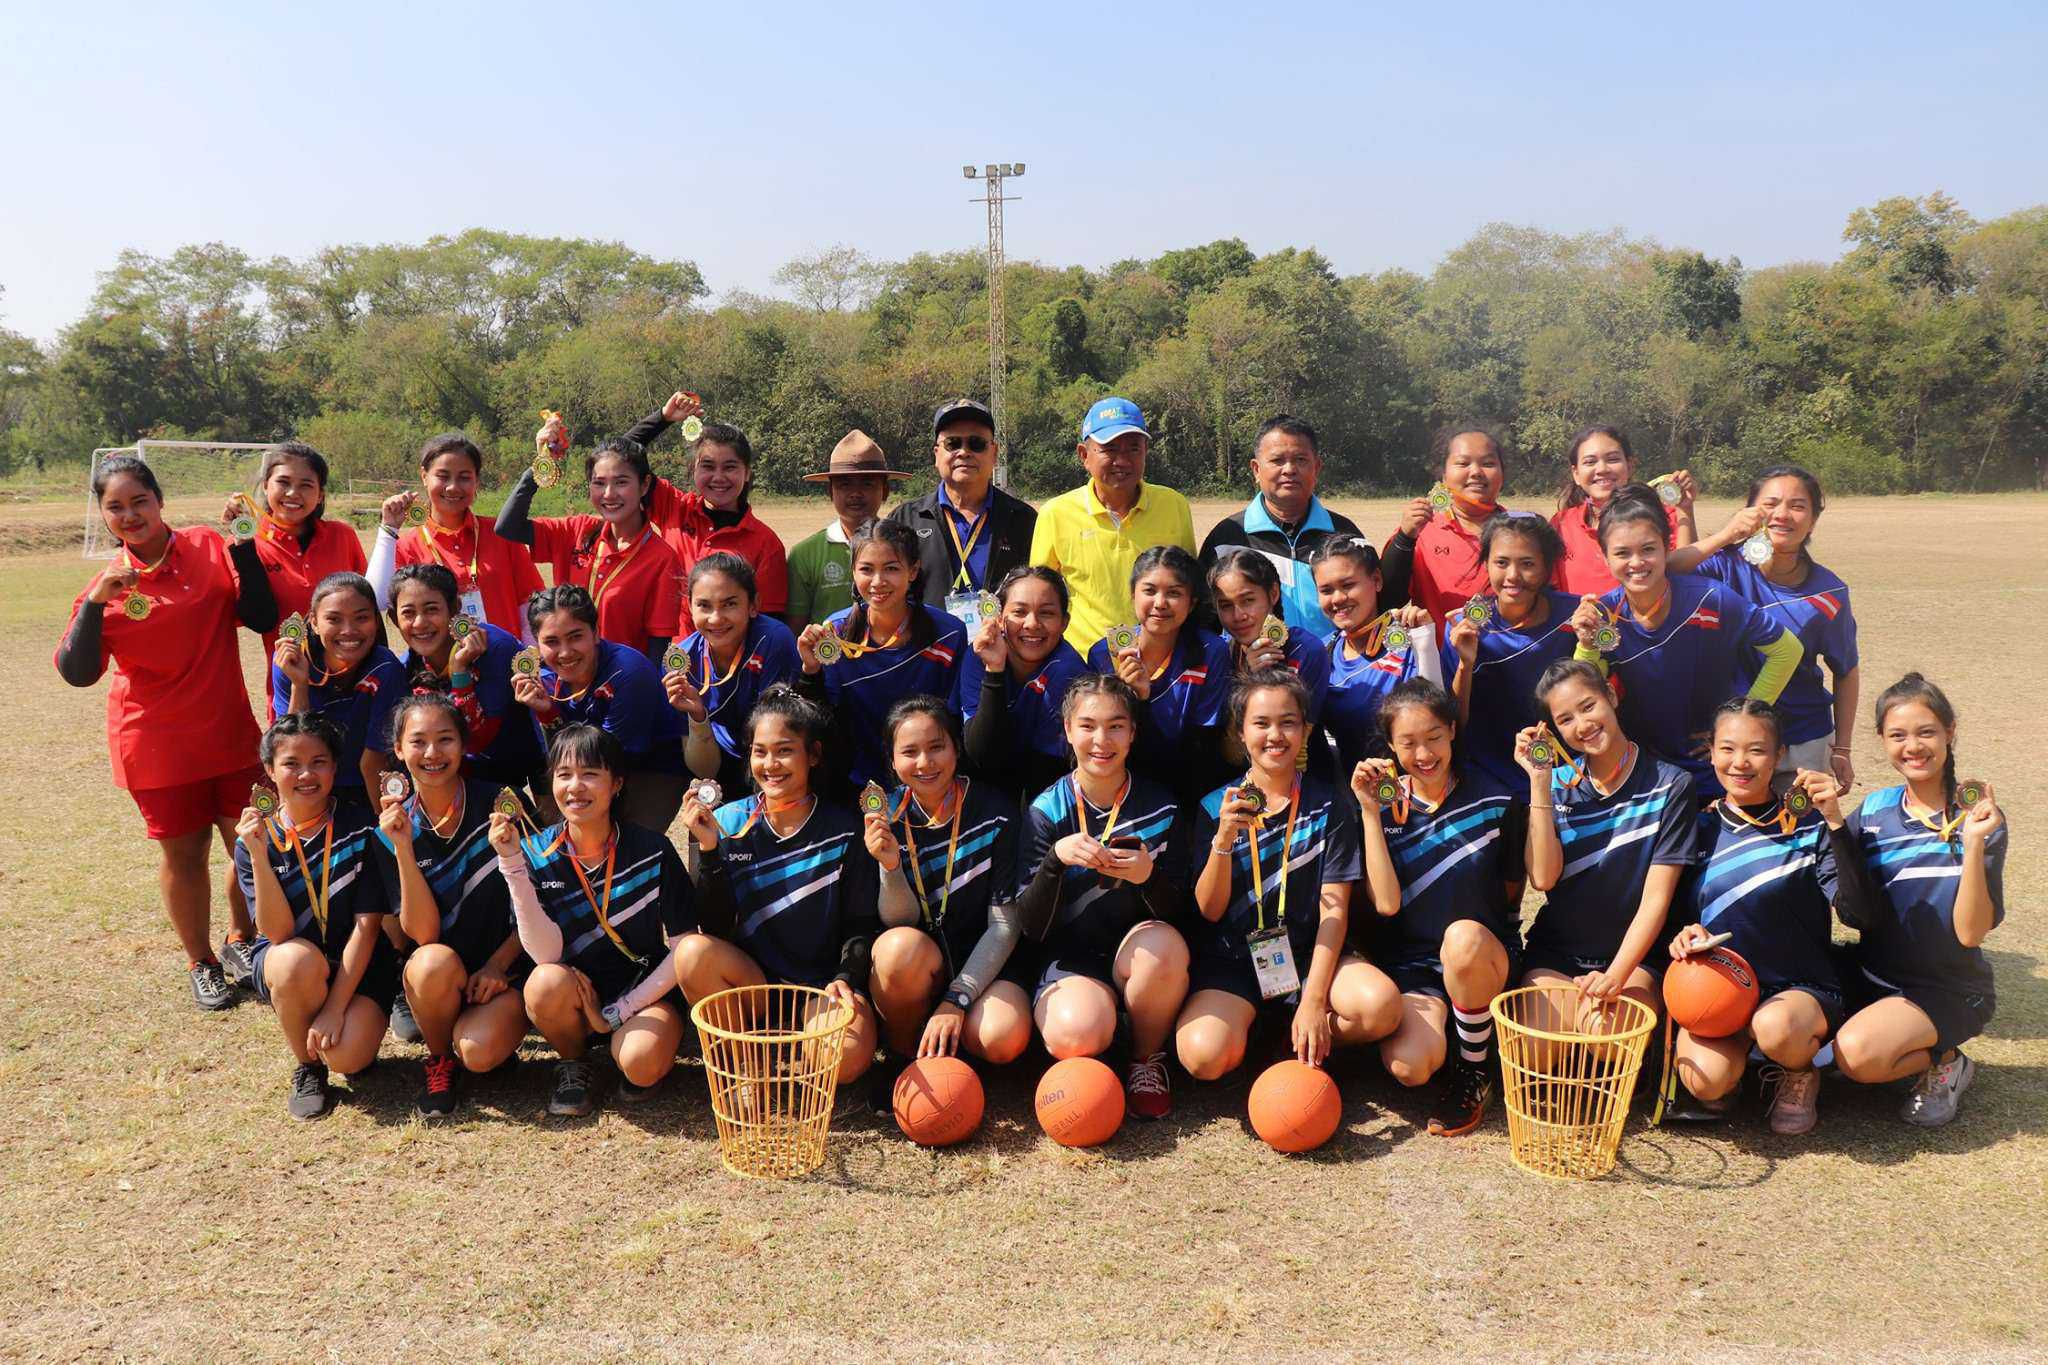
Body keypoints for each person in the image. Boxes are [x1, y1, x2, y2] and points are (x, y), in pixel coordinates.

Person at [57, 454, 279, 1008]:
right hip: (155, 748)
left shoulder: (206, 547)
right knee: (185, 857)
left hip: (230, 735)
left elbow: (258, 612)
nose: (130, 515)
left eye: (140, 501)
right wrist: (95, 603)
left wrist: (244, 545)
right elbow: (77, 672)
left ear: (159, 501)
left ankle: (241, 939)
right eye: (116, 507)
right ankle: (201, 962)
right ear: (103, 515)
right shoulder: (104, 586)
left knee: (253, 843)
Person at [1175, 671, 1399, 1087]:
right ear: (1240, 732)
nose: (1275, 735)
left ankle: (1297, 1034)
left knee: (1380, 1007)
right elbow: (1210, 910)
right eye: (1261, 723)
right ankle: (1259, 1032)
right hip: (1235, 961)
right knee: (1202, 1055)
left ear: (1306, 731)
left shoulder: (1330, 804)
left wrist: (1314, 1000)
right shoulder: (1215, 806)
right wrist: (1223, 840)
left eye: (1288, 722)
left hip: (1309, 957)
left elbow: (1335, 913)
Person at [672, 686, 882, 1087]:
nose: (770, 764)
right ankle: (750, 1065)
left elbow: (861, 922)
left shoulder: (845, 829)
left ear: (813, 755)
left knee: (846, 1062)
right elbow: (714, 928)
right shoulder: (726, 821)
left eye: (784, 751)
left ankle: (804, 1049)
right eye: (760, 752)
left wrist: (846, 976)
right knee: (692, 953)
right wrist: (710, 850)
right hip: (752, 987)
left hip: (820, 989)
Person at [1665, 699, 1852, 1134]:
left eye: (1757, 750)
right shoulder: (1697, 826)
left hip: (1796, 991)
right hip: (1722, 990)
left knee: (1776, 1027)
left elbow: (1857, 912)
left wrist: (1835, 822)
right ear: (1711, 752)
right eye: (1727, 749)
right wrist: (1682, 934)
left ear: (1779, 755)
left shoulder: (1807, 825)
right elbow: (1670, 913)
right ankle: (1741, 1071)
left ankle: (1798, 1070)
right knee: (1705, 1081)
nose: (1740, 763)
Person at [1352, 679, 1525, 1136]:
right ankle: (1465, 1029)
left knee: (1462, 939)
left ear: (1452, 731)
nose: (1424, 754)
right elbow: (1386, 903)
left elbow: (1512, 891)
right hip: (1416, 966)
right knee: (1410, 1068)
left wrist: (1480, 955)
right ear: (1391, 746)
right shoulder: (1382, 805)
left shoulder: (1497, 799)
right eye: (1408, 743)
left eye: (1433, 737)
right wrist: (1369, 811)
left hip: (1480, 958)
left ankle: (1474, 1068)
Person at [1832, 674, 2006, 1127]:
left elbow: (1970, 932)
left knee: (1856, 1057)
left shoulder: (1978, 817)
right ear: (1882, 740)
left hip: (1947, 988)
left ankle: (1948, 1061)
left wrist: (1973, 843)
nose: (1913, 746)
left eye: (1926, 732)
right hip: (1873, 975)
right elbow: (1835, 871)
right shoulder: (1874, 811)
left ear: (1950, 731)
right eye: (1898, 736)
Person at [496, 725, 697, 1116]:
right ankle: (574, 1062)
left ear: (616, 783)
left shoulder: (652, 849)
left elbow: (683, 948)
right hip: (572, 990)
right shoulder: (534, 852)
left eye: (590, 774)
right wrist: (511, 864)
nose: (575, 787)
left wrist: (620, 1011)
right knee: (543, 982)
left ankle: (627, 1043)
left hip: (643, 991)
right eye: (564, 774)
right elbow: (544, 954)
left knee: (641, 1063)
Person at [1014, 674, 1190, 1119]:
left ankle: (1145, 1059)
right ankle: (1103, 1034)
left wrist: (1149, 877)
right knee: (1076, 1034)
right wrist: (1055, 860)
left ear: (1133, 733)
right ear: (1068, 730)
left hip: (1137, 952)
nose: (1101, 740)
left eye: (1116, 726)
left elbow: (1183, 914)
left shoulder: (1162, 805)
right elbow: (1031, 926)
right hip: (1071, 960)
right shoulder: (1045, 811)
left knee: (1164, 946)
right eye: (1088, 726)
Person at [1568, 485, 1804, 802]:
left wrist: (1738, 724)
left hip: (1713, 773)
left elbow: (1787, 651)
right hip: (1645, 773)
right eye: (1622, 553)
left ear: (1667, 548)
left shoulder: (1710, 598)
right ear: (1605, 556)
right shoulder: (1603, 613)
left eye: (1648, 549)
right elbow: (1586, 689)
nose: (1637, 562)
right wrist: (1585, 644)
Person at [863, 697, 1032, 1106]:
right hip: (923, 963)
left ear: (956, 747)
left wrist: (958, 998)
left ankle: (957, 1060)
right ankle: (905, 1055)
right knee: (897, 949)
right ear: (892, 760)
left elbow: (1005, 925)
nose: (925, 762)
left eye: (936, 747)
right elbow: (898, 922)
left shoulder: (996, 810)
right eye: (909, 752)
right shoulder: (885, 816)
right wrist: (889, 866)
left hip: (985, 964)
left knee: (1001, 1037)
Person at [233, 713, 400, 1120]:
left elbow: (368, 927)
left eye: (318, 762)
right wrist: (258, 854)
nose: (306, 774)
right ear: (270, 770)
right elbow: (277, 931)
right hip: (292, 961)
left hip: (358, 966)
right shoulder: (255, 838)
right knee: (293, 960)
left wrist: (335, 1008)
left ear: (335, 767)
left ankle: (338, 1030)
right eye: (291, 764)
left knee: (347, 1058)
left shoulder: (362, 828)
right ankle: (307, 1068)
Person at [376, 694, 528, 1120]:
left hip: (506, 972)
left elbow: (541, 899)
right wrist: (403, 848)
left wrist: (498, 965)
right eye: (418, 741)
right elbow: (423, 935)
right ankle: (439, 1058)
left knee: (479, 1053)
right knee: (430, 962)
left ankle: (486, 1035)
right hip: (439, 978)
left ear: (463, 744)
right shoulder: (390, 828)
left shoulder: (501, 805)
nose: (432, 753)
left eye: (445, 739)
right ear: (399, 749)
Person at [1519, 660, 1696, 1023]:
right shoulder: (1555, 785)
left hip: (1635, 962)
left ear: (1611, 696)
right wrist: (1539, 782)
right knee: (1538, 1045)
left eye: (1588, 706)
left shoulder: (1671, 785)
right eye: (1565, 720)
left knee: (1603, 1036)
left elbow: (1656, 900)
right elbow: (1543, 878)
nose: (1583, 725)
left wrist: (1614, 976)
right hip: (1558, 955)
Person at [1668, 466, 1859, 788]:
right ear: (1750, 511)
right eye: (1770, 504)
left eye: (1797, 506)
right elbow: (1670, 571)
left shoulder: (1829, 593)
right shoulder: (1726, 566)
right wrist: (1725, 534)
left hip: (1802, 739)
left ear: (1813, 520)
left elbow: (1846, 670)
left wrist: (1842, 748)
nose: (1782, 514)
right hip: (1733, 739)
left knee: (1799, 821)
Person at [796, 520, 967, 792]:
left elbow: (955, 719)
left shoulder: (948, 634)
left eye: (891, 568)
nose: (878, 582)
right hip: (857, 782)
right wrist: (810, 670)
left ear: (913, 570)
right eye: (866, 569)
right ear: (853, 572)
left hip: (928, 776)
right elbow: (822, 720)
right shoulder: (834, 634)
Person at [494, 424, 685, 661]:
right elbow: (507, 526)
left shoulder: (662, 559)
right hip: (566, 669)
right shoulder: (576, 530)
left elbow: (657, 649)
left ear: (644, 485)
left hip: (620, 678)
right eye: (599, 483)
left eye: (621, 482)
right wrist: (541, 464)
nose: (609, 494)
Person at [1028, 396, 1196, 653]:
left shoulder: (1174, 505)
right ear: (1084, 455)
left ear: (1146, 451)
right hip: (1084, 662)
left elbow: (1189, 585)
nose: (1123, 460)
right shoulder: (1056, 514)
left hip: (1159, 658)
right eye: (1110, 449)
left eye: (1133, 448)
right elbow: (1039, 595)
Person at [514, 586, 682, 832]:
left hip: (648, 769)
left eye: (575, 637)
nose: (565, 652)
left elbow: (615, 759)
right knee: (563, 839)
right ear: (537, 644)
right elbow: (556, 757)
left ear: (595, 633)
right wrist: (546, 713)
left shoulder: (628, 672)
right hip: (585, 766)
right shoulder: (541, 680)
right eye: (551, 641)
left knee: (626, 842)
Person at [1085, 545, 1234, 803]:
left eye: (1174, 593)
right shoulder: (1104, 653)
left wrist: (1143, 700)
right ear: (1132, 595)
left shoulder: (1211, 651)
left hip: (1188, 787)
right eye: (1149, 591)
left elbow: (1203, 749)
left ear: (1192, 603)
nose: (1160, 603)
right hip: (1119, 785)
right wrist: (1128, 700)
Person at [620, 391, 790, 615]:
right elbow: (618, 456)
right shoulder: (674, 508)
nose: (718, 477)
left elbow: (768, 620)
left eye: (730, 467)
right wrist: (663, 417)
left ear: (747, 473)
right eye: (708, 466)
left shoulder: (766, 543)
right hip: (669, 639)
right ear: (693, 470)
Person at [1441, 513, 1578, 789]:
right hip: (1489, 777)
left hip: (1565, 772)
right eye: (1501, 563)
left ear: (1547, 567)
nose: (1513, 576)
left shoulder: (1574, 616)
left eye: (1527, 564)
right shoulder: (1464, 626)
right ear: (1486, 563)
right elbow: (1454, 721)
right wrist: (1465, 664)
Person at [1197, 414, 1363, 634]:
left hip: (1333, 657)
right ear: (1256, 470)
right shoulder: (1227, 538)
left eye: (1300, 460)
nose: (1289, 469)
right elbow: (1204, 622)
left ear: (1317, 467)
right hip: (1255, 657)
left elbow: (1372, 609)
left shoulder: (1344, 534)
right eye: (1277, 460)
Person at [368, 432, 544, 638]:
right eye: (443, 476)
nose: (453, 487)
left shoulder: (502, 534)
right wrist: (388, 530)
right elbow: (377, 601)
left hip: (506, 657)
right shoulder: (406, 546)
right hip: (440, 659)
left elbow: (530, 605)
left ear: (477, 480)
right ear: (424, 476)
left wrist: (528, 655)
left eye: (464, 477)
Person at [387, 563, 544, 791]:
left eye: (431, 609)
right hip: (447, 786)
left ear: (455, 608)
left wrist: (460, 672)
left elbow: (476, 741)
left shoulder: (496, 649)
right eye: (408, 613)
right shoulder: (405, 668)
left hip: (510, 781)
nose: (420, 623)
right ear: (394, 619)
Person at [234, 440, 368, 698]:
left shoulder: (342, 536)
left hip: (354, 684)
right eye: (283, 482)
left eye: (306, 485)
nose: (293, 493)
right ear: (266, 485)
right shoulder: (247, 546)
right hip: (288, 687)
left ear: (320, 495)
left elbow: (367, 608)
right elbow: (257, 619)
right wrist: (243, 545)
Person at [661, 553, 802, 798]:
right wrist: (698, 717)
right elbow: (703, 769)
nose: (716, 618)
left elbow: (780, 733)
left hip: (773, 763)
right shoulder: (681, 662)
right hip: (718, 767)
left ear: (753, 605)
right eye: (704, 605)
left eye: (729, 604)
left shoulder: (773, 640)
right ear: (690, 607)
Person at [888, 398, 1038, 623]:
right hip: (929, 643)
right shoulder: (905, 519)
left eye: (976, 444)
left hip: (1001, 643)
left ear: (994, 453)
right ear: (936, 454)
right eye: (953, 443)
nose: (964, 452)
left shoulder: (1024, 519)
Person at [1309, 536, 1440, 776]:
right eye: (1326, 590)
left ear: (1377, 580)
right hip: (1353, 792)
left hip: (1419, 790)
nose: (1337, 598)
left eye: (1348, 585)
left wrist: (1425, 645)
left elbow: (1439, 717)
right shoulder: (1319, 653)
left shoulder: (1413, 639)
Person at [270, 573, 408, 799]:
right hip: (312, 786)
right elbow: (290, 747)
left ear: (376, 620)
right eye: (334, 619)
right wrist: (299, 685)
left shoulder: (386, 669)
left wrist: (381, 820)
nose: (348, 630)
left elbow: (374, 762)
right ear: (314, 622)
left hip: (374, 789)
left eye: (361, 618)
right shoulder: (291, 660)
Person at [959, 566, 1090, 802]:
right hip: (983, 781)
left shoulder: (1069, 672)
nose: (1032, 623)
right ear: (999, 618)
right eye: (1019, 612)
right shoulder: (979, 655)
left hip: (1046, 789)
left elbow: (1048, 770)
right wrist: (994, 670)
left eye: (1046, 613)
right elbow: (981, 752)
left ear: (1065, 622)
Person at [1379, 421, 1508, 624]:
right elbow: (1386, 599)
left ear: (1502, 473)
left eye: (1488, 463)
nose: (1476, 472)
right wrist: (1405, 538)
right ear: (1444, 474)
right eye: (1463, 463)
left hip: (1510, 645)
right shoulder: (1421, 531)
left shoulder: (1522, 532)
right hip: (1439, 645)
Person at [1549, 424, 1697, 596]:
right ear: (1576, 474)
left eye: (1612, 459)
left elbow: (1685, 573)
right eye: (1590, 462)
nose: (1602, 469)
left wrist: (1685, 510)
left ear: (1630, 465)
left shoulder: (1661, 514)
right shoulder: (1561, 524)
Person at [784, 430, 908, 634]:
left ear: (885, 491)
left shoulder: (903, 546)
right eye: (844, 485)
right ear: (830, 492)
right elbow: (796, 627)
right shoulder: (805, 554)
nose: (855, 493)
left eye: (867, 484)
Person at [1208, 547, 1332, 727]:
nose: (1238, 616)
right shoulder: (1219, 655)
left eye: (1248, 600)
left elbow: (1299, 736)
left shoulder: (1305, 650)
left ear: (1273, 594)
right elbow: (1222, 740)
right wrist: (1247, 677)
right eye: (1226, 605)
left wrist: (1260, 679)